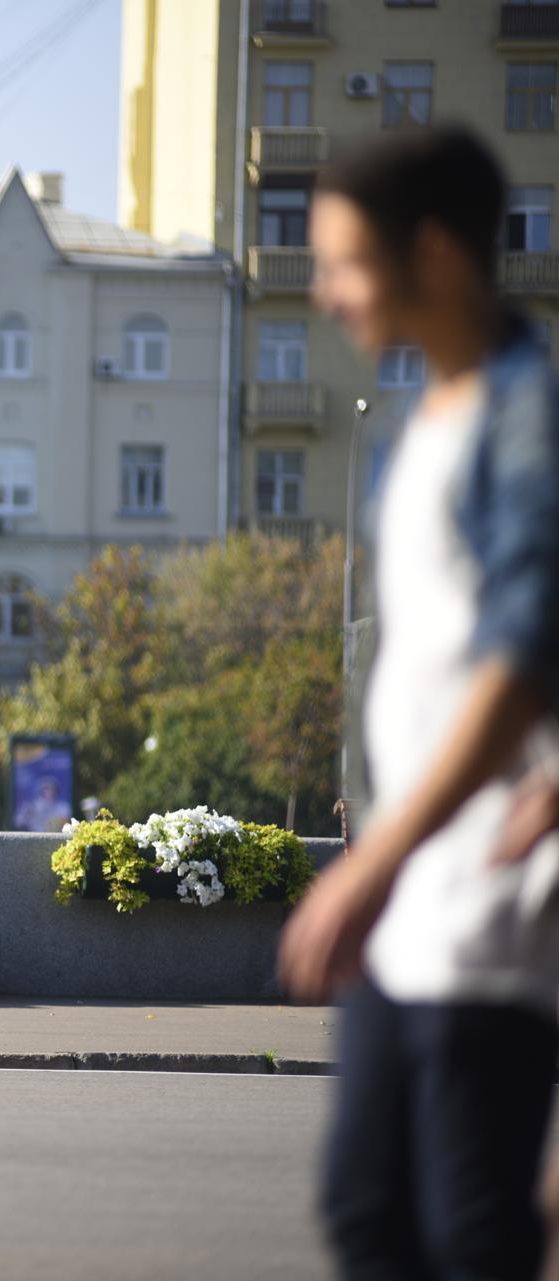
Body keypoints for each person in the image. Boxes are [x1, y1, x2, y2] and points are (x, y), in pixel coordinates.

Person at [276, 125, 559, 1280]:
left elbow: (523, 650)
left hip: (485, 905)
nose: (322, 288)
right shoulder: (420, 431)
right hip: (413, 908)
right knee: (367, 1214)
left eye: (343, 260)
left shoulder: (525, 419)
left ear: (435, 255)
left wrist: (376, 857)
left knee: (466, 1237)